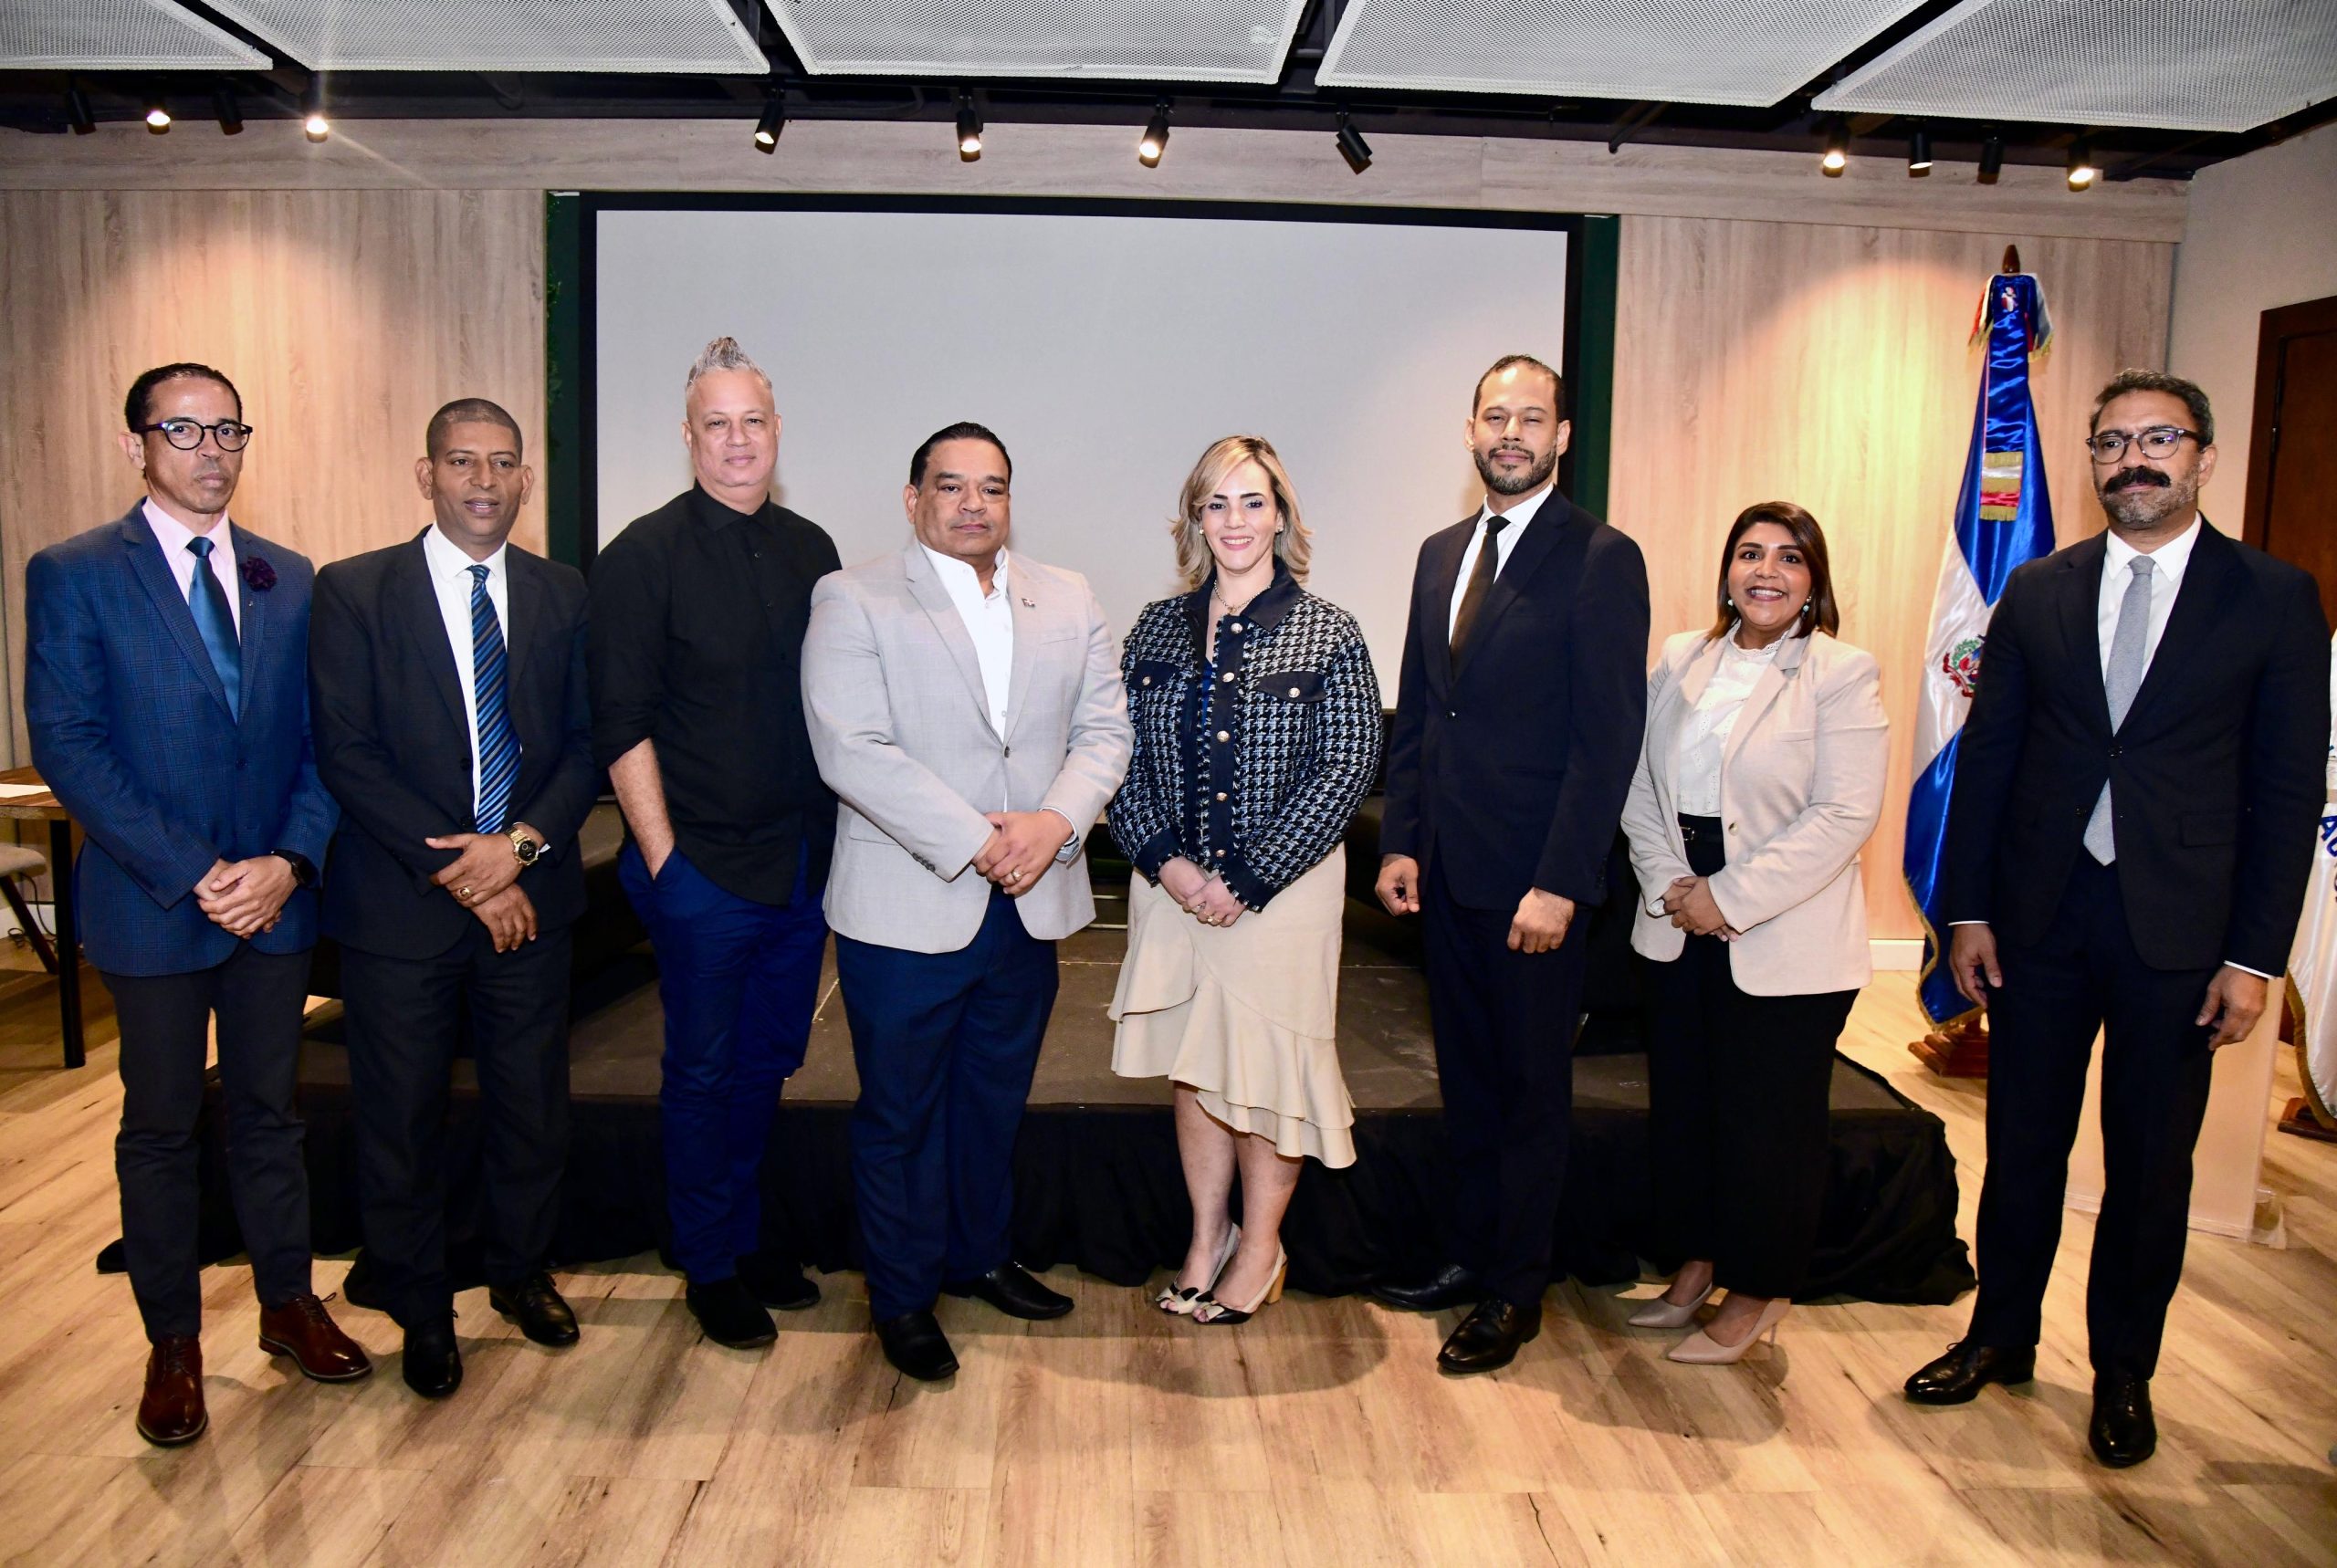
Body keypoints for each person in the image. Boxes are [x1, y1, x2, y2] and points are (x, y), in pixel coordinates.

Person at [1904, 371, 2328, 1468]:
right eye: (2111, 442)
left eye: (2158, 440)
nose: (2133, 460)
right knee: (2022, 1146)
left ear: (2202, 455)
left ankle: (2123, 1371)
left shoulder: (2274, 597)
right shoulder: (2039, 588)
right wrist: (1969, 910)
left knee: (2150, 1166)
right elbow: (1987, 760)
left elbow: (2285, 791)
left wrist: (2252, 957)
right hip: (2038, 921)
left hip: (2181, 939)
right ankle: (1999, 1335)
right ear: (2089, 458)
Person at [24, 363, 369, 1447]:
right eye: (184, 429)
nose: (212, 449)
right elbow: (69, 743)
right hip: (152, 904)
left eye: (228, 429)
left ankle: (286, 1304)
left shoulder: (291, 575)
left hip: (272, 905)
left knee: (271, 1115)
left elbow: (327, 744)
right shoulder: (76, 572)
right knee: (162, 1129)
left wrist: (287, 861)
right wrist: (198, 870)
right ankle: (172, 1343)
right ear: (137, 445)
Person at [802, 421, 1132, 1382]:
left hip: (1028, 902)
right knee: (900, 1113)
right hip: (907, 903)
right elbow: (850, 748)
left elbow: (1105, 728)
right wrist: (983, 839)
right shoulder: (852, 596)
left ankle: (980, 1253)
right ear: (914, 499)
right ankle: (901, 1295)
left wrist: (1054, 822)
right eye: (951, 486)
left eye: (991, 487)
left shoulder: (1067, 596)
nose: (973, 504)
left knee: (993, 1102)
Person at [308, 399, 595, 1397]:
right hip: (401, 907)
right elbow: (346, 751)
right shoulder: (352, 591)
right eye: (462, 461)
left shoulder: (564, 593)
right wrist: (469, 874)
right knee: (400, 1116)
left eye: (503, 462)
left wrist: (514, 849)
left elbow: (579, 744)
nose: (484, 480)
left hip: (531, 895)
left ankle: (520, 1273)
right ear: (424, 474)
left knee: (531, 1107)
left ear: (525, 479)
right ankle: (421, 1305)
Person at [1370, 353, 1650, 1374]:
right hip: (1444, 872)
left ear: (1563, 436)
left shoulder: (1600, 557)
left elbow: (1605, 738)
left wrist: (1562, 880)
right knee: (1471, 1084)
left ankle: (1513, 1289)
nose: (1512, 433)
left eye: (1533, 418)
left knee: (1532, 1092)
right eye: (1496, 415)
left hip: (1533, 884)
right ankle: (1469, 1253)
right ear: (1470, 428)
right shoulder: (1441, 551)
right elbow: (1419, 709)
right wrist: (1401, 837)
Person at [591, 339, 841, 1349]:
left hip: (800, 869)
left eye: (753, 422)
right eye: (716, 423)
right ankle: (707, 1260)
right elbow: (619, 719)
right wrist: (664, 861)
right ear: (688, 436)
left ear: (776, 434)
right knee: (701, 1072)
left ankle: (739, 1235)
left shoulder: (811, 549)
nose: (737, 441)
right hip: (700, 874)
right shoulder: (639, 557)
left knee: (766, 1063)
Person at [1106, 436, 1381, 1325]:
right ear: (1194, 518)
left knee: (1265, 1073)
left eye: (1252, 501)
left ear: (1282, 516)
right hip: (1173, 889)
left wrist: (1249, 877)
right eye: (1215, 503)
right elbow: (1121, 759)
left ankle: (1261, 1246)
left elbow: (1345, 765)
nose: (1235, 520)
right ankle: (1205, 1235)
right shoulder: (1154, 625)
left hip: (1282, 895)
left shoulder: (1328, 630)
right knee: (1196, 1072)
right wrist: (1168, 862)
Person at [1617, 502, 1888, 1364]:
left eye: (1788, 558)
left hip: (1783, 933)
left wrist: (1727, 898)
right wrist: (1671, 887)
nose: (1765, 571)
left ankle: (1761, 1290)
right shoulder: (1679, 658)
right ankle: (1696, 1267)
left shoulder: (1841, 672)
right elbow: (1639, 790)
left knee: (1768, 1127)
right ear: (1727, 571)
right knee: (1689, 1113)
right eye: (1749, 554)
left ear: (1814, 582)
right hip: (1676, 917)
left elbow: (1845, 813)